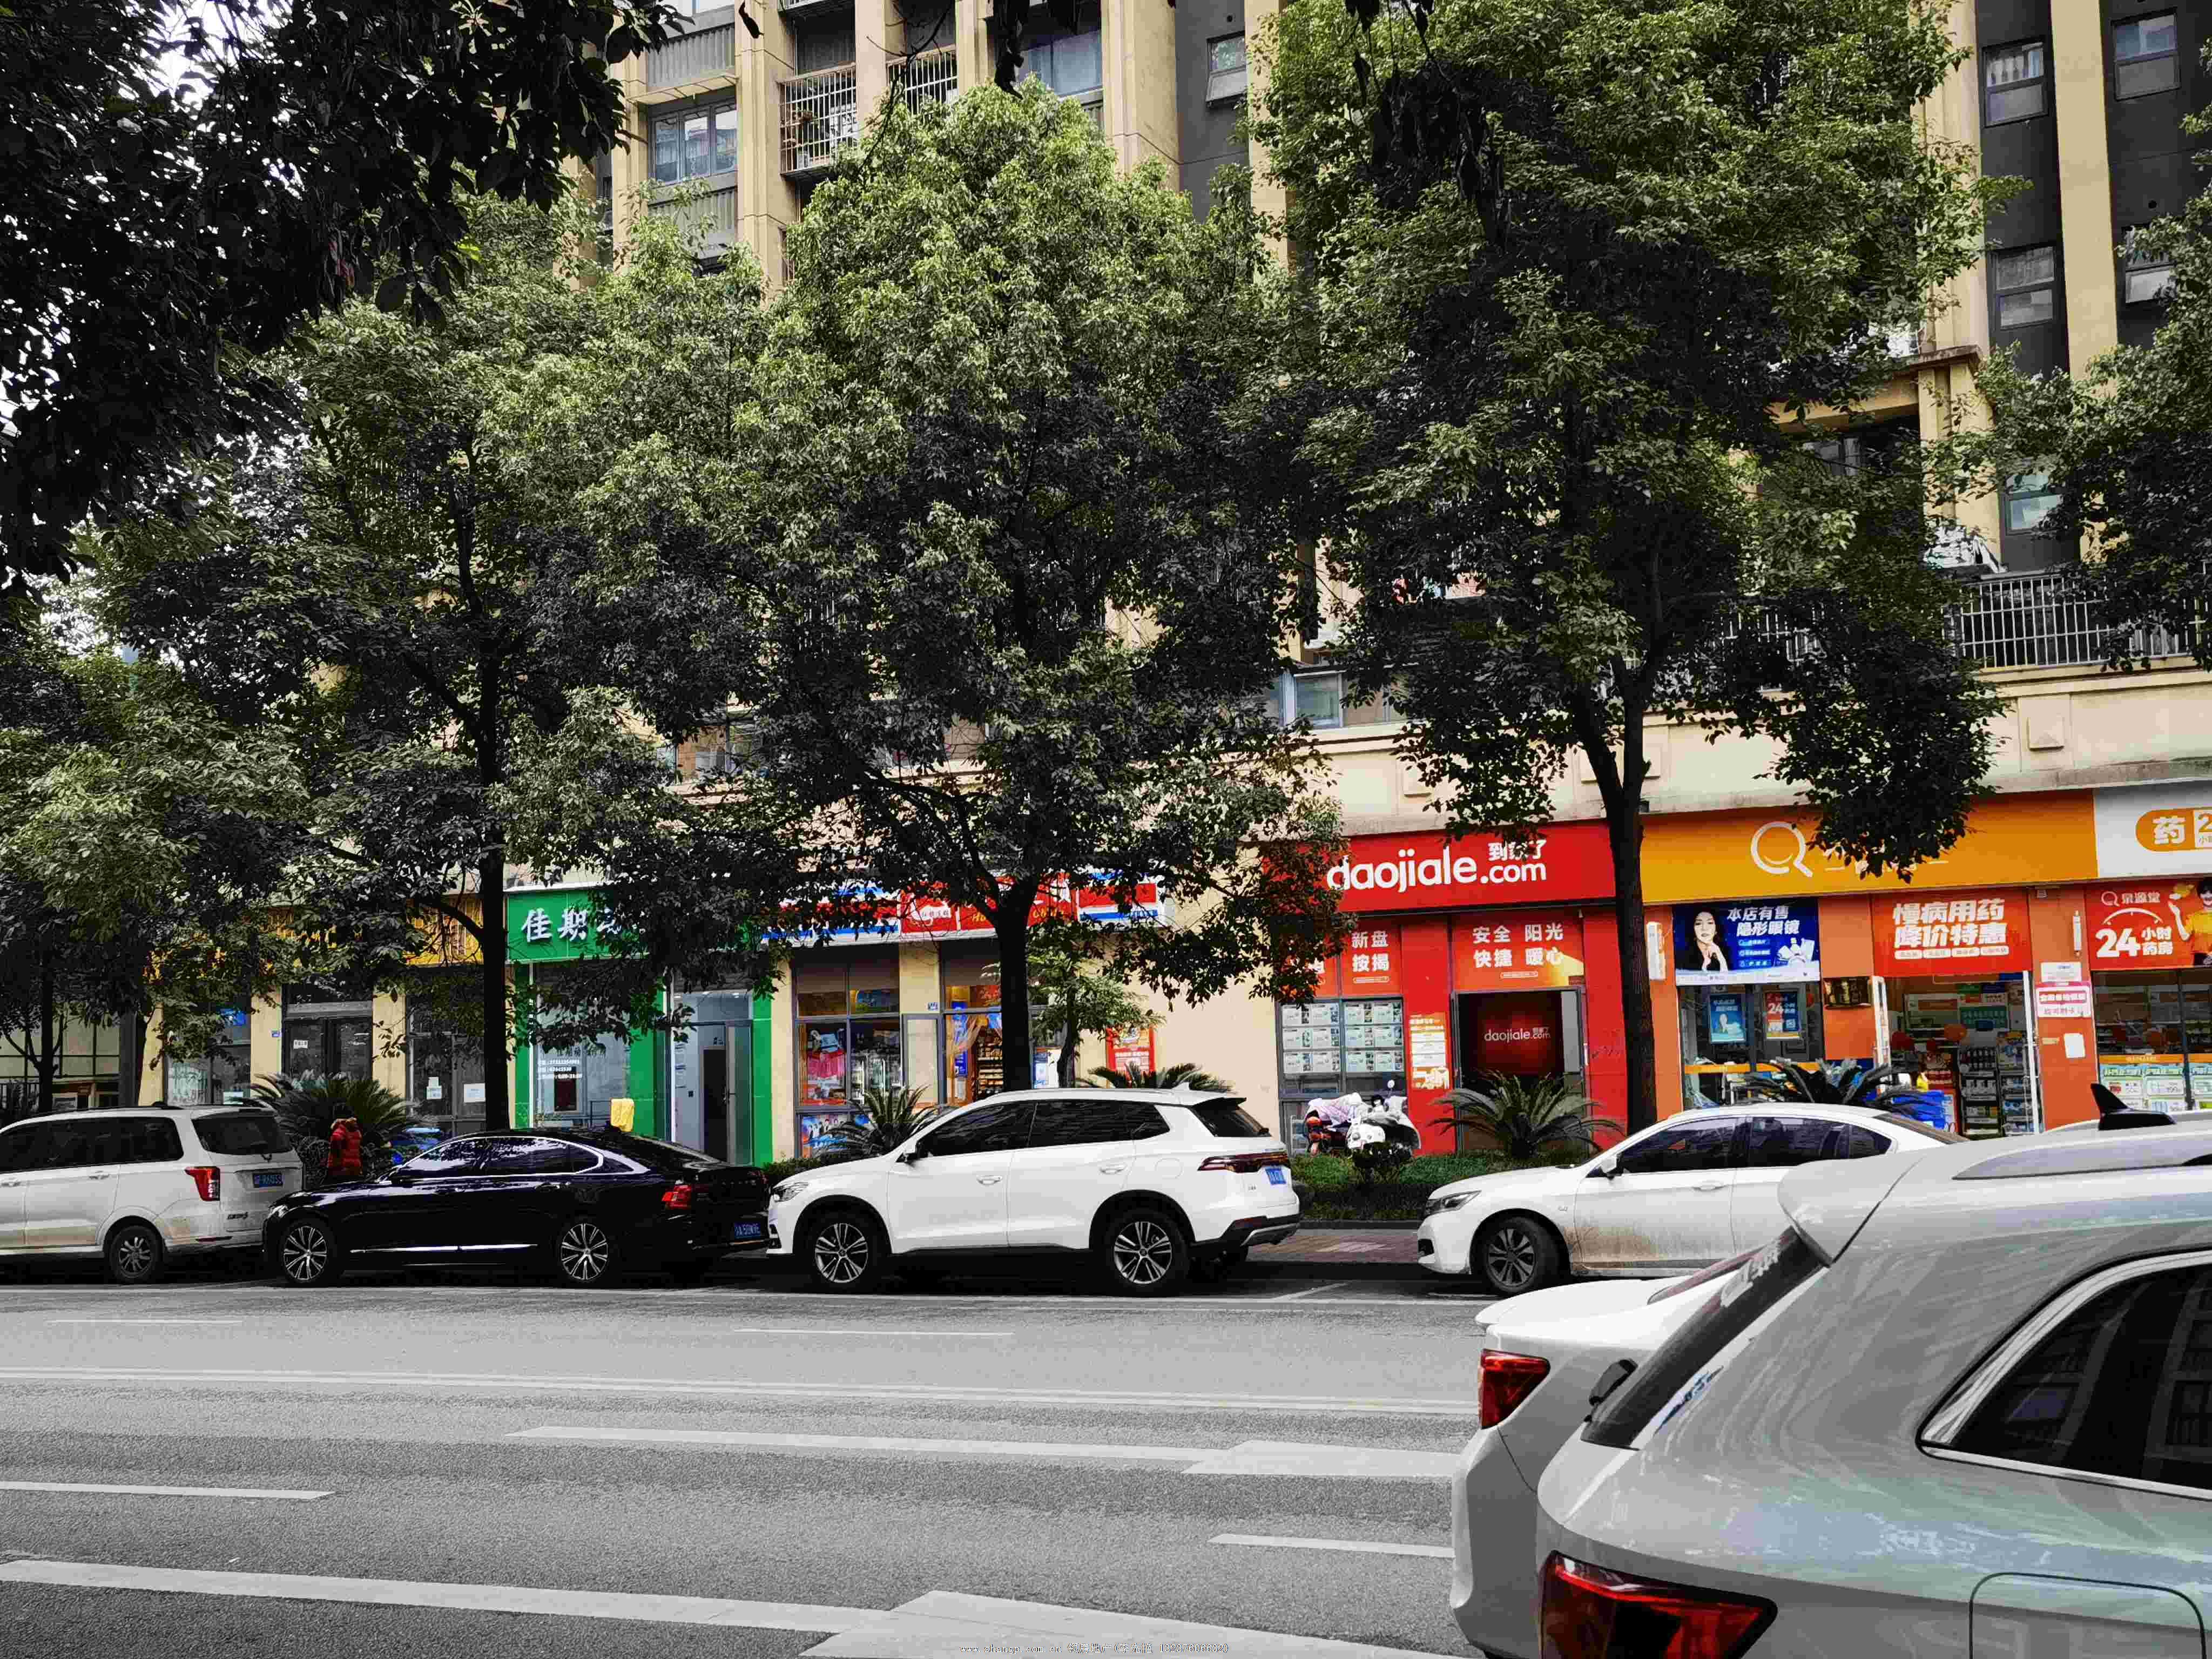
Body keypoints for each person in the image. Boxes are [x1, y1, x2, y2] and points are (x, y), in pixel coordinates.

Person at [2168, 878, 2212, 965]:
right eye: (2204, 893)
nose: (2208, 896)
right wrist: (2177, 915)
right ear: (2200, 895)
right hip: (2201, 958)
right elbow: (2185, 937)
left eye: (2211, 893)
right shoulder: (2194, 917)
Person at [326, 1115, 364, 1183]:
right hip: (346, 1168)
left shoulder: (353, 1132)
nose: (356, 1125)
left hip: (347, 1167)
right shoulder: (344, 1131)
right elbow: (336, 1143)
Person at [1690, 909, 1730, 973]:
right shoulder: (1684, 955)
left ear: (1716, 928)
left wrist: (1722, 961)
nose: (1704, 928)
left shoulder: (1725, 952)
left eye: (1710, 923)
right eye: (1698, 924)